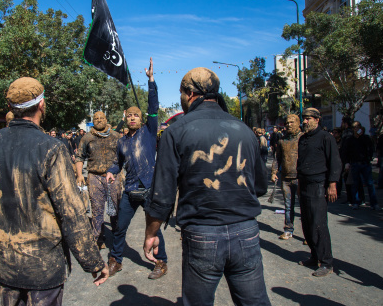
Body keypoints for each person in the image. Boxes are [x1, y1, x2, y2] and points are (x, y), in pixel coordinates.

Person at [0, 77, 108, 305]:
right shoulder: (51, 148)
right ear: (41, 105)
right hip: (43, 265)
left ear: (10, 108)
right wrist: (93, 262)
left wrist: (7, 225)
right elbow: (72, 214)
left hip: (6, 262)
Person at [143, 67, 270, 306]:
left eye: (181, 93)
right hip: (246, 232)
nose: (181, 98)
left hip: (203, 234)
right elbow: (260, 186)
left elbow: (162, 195)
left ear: (190, 94)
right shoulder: (244, 130)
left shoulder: (176, 131)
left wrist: (151, 233)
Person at [106, 57, 168, 280]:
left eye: (136, 115)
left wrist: (151, 81)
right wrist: (112, 172)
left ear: (141, 119)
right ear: (125, 118)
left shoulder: (150, 131)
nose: (132, 117)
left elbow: (153, 106)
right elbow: (117, 163)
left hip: (149, 189)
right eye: (129, 115)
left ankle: (161, 262)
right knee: (119, 228)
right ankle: (116, 260)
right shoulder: (121, 142)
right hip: (130, 191)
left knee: (154, 229)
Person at [297, 108, 341, 277]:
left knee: (318, 224)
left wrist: (332, 184)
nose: (305, 121)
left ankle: (326, 262)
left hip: (319, 186)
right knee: (307, 224)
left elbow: (335, 162)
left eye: (308, 119)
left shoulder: (326, 138)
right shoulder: (303, 139)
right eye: (304, 118)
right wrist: (300, 184)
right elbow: (301, 163)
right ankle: (314, 256)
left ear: (317, 119)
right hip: (305, 185)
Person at [75, 111, 121, 249]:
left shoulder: (116, 136)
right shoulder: (87, 138)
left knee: (116, 208)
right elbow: (79, 157)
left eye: (102, 118)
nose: (99, 120)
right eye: (96, 118)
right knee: (97, 210)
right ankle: (98, 238)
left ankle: (117, 238)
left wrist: (123, 174)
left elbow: (123, 156)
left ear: (106, 120)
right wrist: (79, 175)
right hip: (94, 177)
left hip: (113, 177)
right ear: (93, 120)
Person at [271, 114, 303, 240]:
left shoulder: (303, 139)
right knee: (288, 206)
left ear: (298, 123)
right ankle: (288, 229)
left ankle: (308, 233)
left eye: (292, 122)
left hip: (300, 178)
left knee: (304, 206)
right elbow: (277, 159)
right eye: (287, 123)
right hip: (286, 178)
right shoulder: (282, 141)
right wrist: (274, 172)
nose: (289, 124)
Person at [343, 121, 379, 210]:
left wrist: (369, 158)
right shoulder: (350, 140)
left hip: (365, 163)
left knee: (369, 183)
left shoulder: (365, 138)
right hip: (355, 163)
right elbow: (346, 152)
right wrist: (347, 162)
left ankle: (374, 203)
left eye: (358, 127)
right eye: (354, 127)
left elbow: (370, 149)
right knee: (355, 183)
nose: (356, 129)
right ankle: (356, 201)